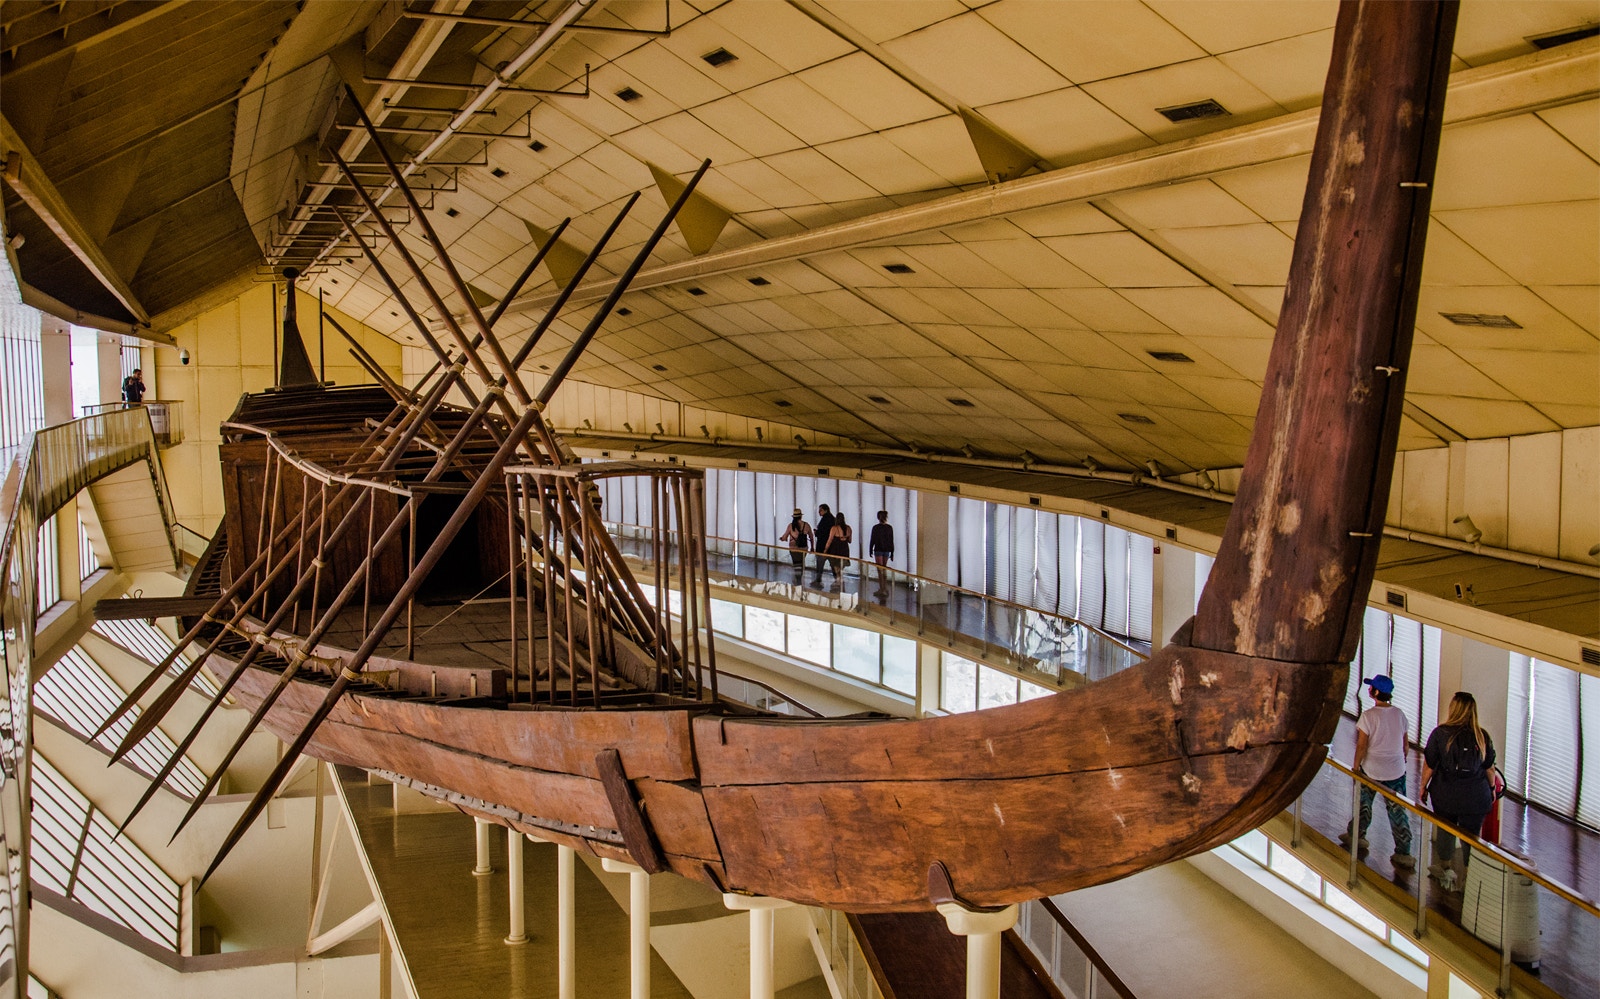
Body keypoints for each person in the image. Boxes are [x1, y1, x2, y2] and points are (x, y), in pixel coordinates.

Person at [1420, 691, 1499, 891]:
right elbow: (1490, 768)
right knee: (1471, 836)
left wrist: (1423, 786)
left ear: (1453, 708)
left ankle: (1445, 870)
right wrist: (1491, 789)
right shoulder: (1482, 736)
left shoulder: (1440, 733)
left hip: (1446, 793)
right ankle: (1469, 879)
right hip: (1475, 796)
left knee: (1446, 830)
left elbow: (1429, 764)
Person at [1340, 675, 1414, 869]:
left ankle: (1356, 835)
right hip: (1396, 771)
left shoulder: (1368, 716)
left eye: (1371, 687)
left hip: (1371, 770)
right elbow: (1405, 746)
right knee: (1398, 812)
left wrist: (1356, 768)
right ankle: (1403, 851)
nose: (1369, 690)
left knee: (1364, 805)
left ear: (1376, 693)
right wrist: (1401, 762)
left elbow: (1362, 745)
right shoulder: (1400, 714)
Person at [868, 510, 894, 600]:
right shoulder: (889, 528)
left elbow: (873, 539)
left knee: (879, 570)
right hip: (887, 550)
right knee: (884, 568)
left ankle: (881, 588)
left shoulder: (875, 528)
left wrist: (870, 549)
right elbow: (891, 541)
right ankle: (884, 588)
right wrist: (892, 552)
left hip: (878, 549)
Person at [824, 511, 852, 587]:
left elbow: (829, 540)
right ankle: (840, 582)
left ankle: (839, 582)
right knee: (841, 568)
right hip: (845, 549)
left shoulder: (834, 528)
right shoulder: (848, 528)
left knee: (835, 567)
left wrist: (825, 550)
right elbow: (850, 541)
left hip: (835, 550)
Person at [811, 504, 835, 584]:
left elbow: (822, 533)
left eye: (821, 510)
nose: (819, 512)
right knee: (833, 565)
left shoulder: (824, 520)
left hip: (822, 546)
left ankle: (818, 580)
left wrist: (816, 532)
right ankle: (837, 580)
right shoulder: (833, 519)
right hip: (831, 546)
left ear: (826, 510)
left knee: (820, 564)